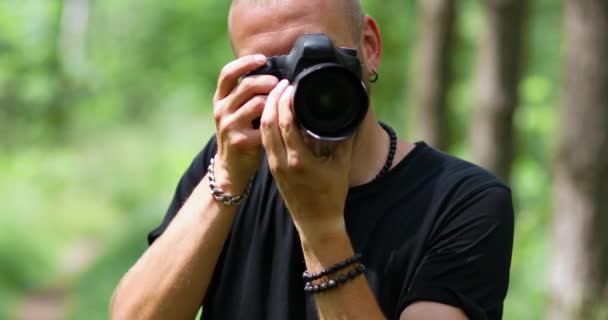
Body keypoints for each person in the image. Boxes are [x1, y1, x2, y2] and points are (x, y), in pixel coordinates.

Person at [110, 0, 514, 319]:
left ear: (369, 48)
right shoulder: (230, 164)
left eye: (316, 56)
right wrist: (228, 178)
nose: (298, 87)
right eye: (272, 68)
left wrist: (322, 229)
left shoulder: (462, 202)